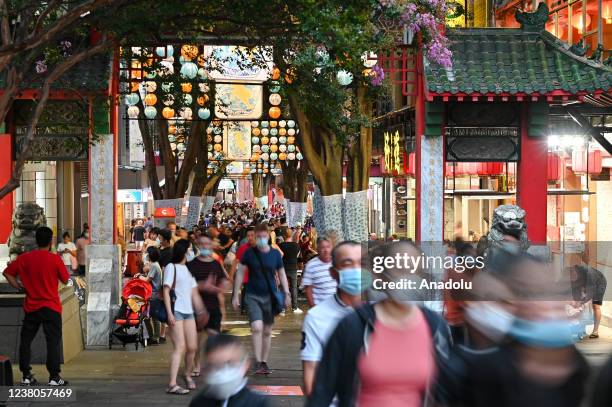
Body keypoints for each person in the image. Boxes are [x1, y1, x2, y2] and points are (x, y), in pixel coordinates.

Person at [306, 241, 451, 407]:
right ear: (381, 275)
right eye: (400, 269)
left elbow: (445, 390)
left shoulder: (435, 326)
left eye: (414, 269)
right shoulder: (353, 326)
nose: (408, 277)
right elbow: (323, 391)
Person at [3, 226, 71, 386]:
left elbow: (7, 273)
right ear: (51, 241)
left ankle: (26, 374)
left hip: (32, 307)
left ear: (36, 241)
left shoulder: (25, 258)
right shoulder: (54, 259)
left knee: (26, 341)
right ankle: (54, 377)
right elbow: (66, 279)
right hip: (51, 307)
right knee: (53, 342)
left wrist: (18, 286)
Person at [301, 241, 364, 398]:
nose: (357, 270)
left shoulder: (384, 312)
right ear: (333, 273)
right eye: (348, 263)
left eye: (362, 263)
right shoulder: (316, 318)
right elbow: (311, 374)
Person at [232, 223, 291, 375]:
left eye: (264, 237)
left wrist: (287, 292)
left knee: (267, 331)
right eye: (258, 237)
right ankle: (258, 361)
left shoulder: (275, 254)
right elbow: (240, 273)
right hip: (252, 295)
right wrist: (235, 294)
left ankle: (264, 361)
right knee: (257, 327)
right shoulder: (249, 253)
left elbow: (282, 273)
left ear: (268, 237)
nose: (261, 239)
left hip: (270, 296)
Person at [163, 239, 207, 395]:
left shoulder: (188, 270)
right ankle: (172, 383)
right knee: (180, 347)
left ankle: (187, 375)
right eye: (190, 249)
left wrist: (201, 311)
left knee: (193, 348)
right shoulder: (171, 267)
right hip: (176, 311)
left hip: (189, 313)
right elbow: (166, 291)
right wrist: (169, 313)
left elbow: (194, 293)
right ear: (183, 250)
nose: (192, 252)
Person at [189, 334, 270, 407]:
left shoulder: (257, 402)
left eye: (230, 363)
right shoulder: (199, 402)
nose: (222, 372)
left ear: (245, 365)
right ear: (207, 369)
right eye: (215, 366)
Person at [188, 234, 229, 376]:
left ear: (211, 246)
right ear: (198, 245)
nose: (205, 247)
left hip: (213, 306)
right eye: (202, 244)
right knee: (197, 339)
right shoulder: (191, 265)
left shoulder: (216, 263)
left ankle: (214, 363)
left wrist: (219, 287)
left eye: (207, 244)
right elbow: (186, 286)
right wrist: (202, 286)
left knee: (214, 336)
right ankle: (196, 364)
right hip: (195, 307)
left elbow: (224, 282)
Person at [570, 258, 607, 338]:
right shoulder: (572, 274)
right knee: (579, 303)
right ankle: (581, 329)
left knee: (595, 305)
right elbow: (574, 291)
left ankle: (595, 331)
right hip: (586, 284)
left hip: (599, 282)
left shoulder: (589, 274)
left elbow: (591, 293)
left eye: (574, 275)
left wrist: (582, 302)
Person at [301, 235, 336, 307]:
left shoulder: (337, 262)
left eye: (328, 247)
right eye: (323, 247)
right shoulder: (311, 265)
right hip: (320, 307)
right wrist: (313, 307)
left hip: (337, 307)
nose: (326, 250)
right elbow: (308, 289)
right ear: (317, 249)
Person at [137, 246, 163, 345]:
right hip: (152, 295)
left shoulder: (154, 266)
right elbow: (148, 277)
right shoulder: (155, 264)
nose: (146, 255)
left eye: (147, 253)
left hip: (154, 295)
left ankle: (155, 337)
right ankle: (153, 336)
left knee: (153, 317)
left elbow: (148, 280)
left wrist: (139, 276)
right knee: (148, 317)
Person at [279, 227, 302, 313]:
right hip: (293, 268)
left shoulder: (281, 245)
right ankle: (294, 307)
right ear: (291, 235)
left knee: (282, 288)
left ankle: (282, 308)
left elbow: (279, 257)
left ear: (284, 236)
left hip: (283, 269)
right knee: (294, 288)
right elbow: (298, 257)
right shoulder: (296, 246)